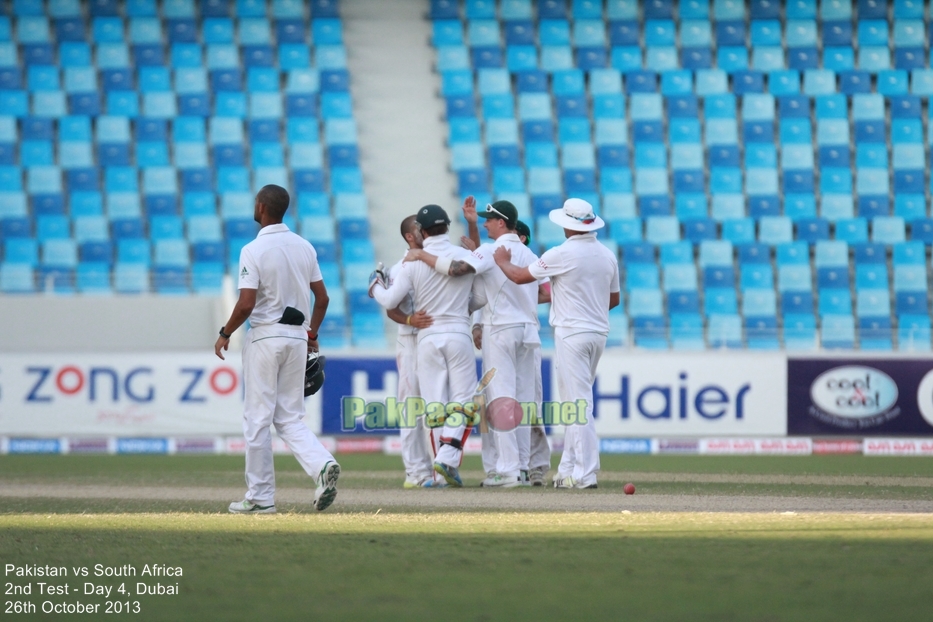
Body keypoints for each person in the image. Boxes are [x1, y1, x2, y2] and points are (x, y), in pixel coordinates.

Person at [215, 184, 340, 513]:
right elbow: (323, 298)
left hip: (266, 336)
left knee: (257, 419)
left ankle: (260, 498)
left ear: (261, 208)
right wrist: (312, 331)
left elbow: (245, 304)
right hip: (297, 337)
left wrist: (225, 332)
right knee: (290, 418)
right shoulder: (304, 247)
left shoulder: (252, 250)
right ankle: (322, 465)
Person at [494, 198, 620, 489]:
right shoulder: (606, 255)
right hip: (598, 333)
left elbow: (519, 276)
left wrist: (501, 261)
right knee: (574, 402)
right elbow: (613, 299)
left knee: (577, 405)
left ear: (568, 225)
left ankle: (586, 473)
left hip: (571, 333)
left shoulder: (561, 253)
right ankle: (568, 469)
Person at [369, 204, 489, 487]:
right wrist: (461, 307)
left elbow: (388, 301)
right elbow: (482, 298)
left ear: (423, 232)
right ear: (448, 227)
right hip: (458, 332)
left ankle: (439, 474)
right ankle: (446, 460)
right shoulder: (464, 256)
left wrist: (374, 284)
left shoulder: (411, 263)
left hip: (426, 338)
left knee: (435, 406)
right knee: (462, 402)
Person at [451, 199, 545, 487]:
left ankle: (508, 470)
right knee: (524, 400)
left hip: (501, 329)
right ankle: (525, 468)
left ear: (501, 222)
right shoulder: (529, 252)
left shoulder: (492, 251)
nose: (484, 224)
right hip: (528, 331)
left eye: (488, 220)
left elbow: (459, 270)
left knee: (501, 400)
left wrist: (425, 257)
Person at [383, 215, 442, 488]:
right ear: (410, 236)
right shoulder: (399, 268)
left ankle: (440, 469)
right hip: (409, 341)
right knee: (411, 407)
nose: (426, 232)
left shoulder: (433, 263)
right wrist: (409, 320)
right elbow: (391, 307)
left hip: (433, 339)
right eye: (420, 229)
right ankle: (415, 472)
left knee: (438, 404)